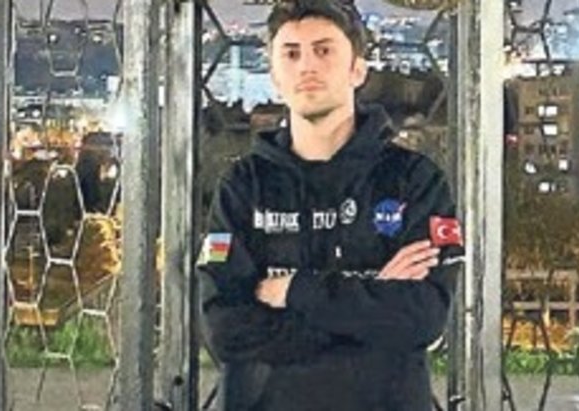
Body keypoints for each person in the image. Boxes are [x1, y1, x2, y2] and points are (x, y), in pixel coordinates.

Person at [197, 1, 464, 410]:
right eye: (291, 54)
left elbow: (423, 317)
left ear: (358, 69)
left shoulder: (415, 181)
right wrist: (370, 307)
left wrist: (292, 291)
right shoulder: (244, 186)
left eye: (323, 50)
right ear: (274, 75)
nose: (307, 66)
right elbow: (225, 329)